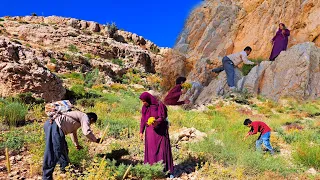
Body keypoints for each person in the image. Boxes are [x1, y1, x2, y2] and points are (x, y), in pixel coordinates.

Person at [42, 111, 101, 180]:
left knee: (63, 149)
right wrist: (96, 140)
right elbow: (86, 131)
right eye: (91, 123)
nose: (90, 124)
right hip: (54, 126)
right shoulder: (85, 117)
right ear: (91, 119)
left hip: (52, 125)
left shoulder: (77, 119)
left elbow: (73, 133)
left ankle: (65, 169)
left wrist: (77, 145)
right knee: (54, 152)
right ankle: (46, 177)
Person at [139, 92, 174, 177]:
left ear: (148, 99)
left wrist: (156, 122)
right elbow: (143, 119)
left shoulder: (159, 105)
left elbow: (162, 116)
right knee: (151, 151)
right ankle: (152, 169)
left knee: (162, 150)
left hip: (160, 132)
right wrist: (141, 131)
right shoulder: (144, 107)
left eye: (144, 101)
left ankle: (166, 171)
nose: (143, 103)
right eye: (142, 101)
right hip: (150, 133)